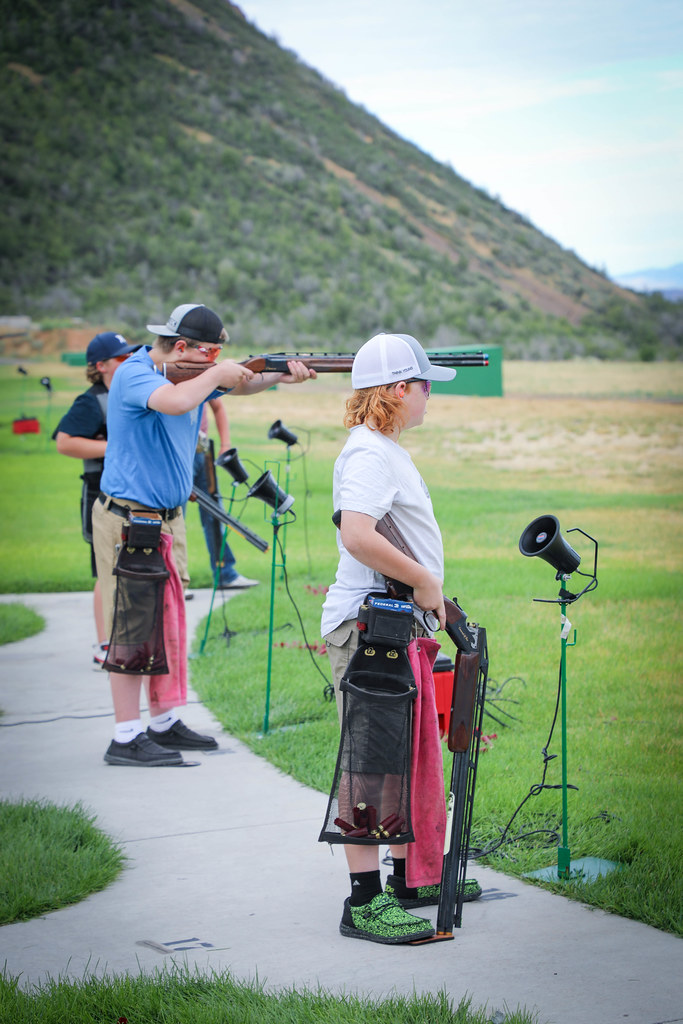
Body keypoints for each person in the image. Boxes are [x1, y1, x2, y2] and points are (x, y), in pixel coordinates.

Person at [92, 302, 316, 767]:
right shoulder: (137, 374)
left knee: (167, 624)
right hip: (131, 519)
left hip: (164, 520)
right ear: (181, 348)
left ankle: (161, 721)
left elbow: (236, 383)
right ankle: (126, 735)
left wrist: (279, 375)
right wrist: (220, 374)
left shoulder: (185, 376)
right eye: (210, 353)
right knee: (132, 627)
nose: (214, 362)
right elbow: (180, 399)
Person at [320, 332, 456, 944]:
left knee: (401, 761)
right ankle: (365, 902)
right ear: (400, 389)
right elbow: (357, 533)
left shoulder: (382, 446)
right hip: (369, 630)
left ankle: (408, 879)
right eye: (425, 387)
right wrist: (426, 579)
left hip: (393, 627)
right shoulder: (371, 454)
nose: (430, 398)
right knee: (371, 768)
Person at [53, 331, 138, 664]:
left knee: (130, 568)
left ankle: (126, 639)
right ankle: (105, 644)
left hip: (130, 492)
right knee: (107, 571)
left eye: (131, 356)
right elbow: (65, 442)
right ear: (100, 366)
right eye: (121, 359)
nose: (129, 362)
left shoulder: (127, 394)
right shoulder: (93, 401)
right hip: (101, 493)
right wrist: (114, 447)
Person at [189, 397, 258, 590]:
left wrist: (225, 444)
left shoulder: (205, 373)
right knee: (176, 519)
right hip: (178, 453)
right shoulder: (170, 371)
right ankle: (177, 580)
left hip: (203, 451)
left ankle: (225, 574)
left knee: (214, 515)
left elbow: (217, 406)